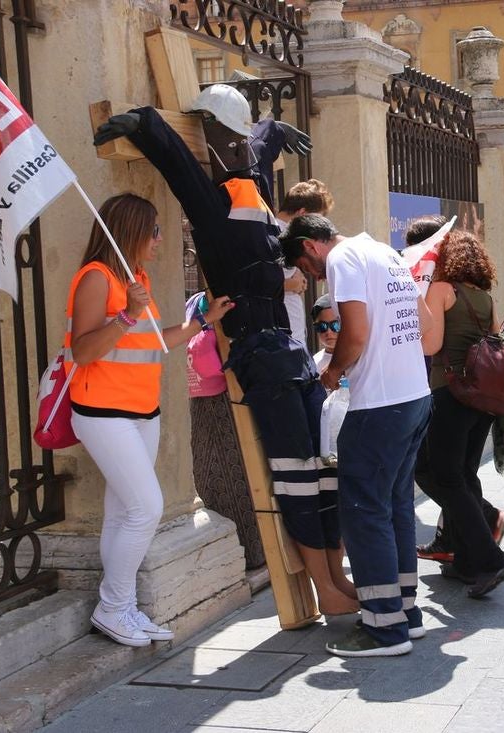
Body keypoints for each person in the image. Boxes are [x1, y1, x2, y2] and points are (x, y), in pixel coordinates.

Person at [93, 86, 359, 618]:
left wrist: (276, 131)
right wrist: (143, 123)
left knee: (323, 468)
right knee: (297, 474)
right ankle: (325, 588)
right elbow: (180, 166)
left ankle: (336, 576)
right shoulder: (217, 203)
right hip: (262, 353)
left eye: (235, 140)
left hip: (290, 352)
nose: (236, 149)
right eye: (226, 139)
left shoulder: (251, 189)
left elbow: (251, 148)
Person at [66, 193, 234, 646]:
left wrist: (204, 319)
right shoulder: (97, 279)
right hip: (103, 413)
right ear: (131, 231)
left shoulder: (135, 277)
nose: (161, 239)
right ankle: (113, 606)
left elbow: (158, 342)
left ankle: (122, 607)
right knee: (147, 508)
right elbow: (82, 352)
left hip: (142, 411)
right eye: (155, 230)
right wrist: (125, 315)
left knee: (123, 513)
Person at [281, 214, 433, 657]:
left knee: (364, 512)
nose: (312, 278)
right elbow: (422, 325)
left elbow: (357, 332)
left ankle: (383, 628)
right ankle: (405, 613)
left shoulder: (345, 258)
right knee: (395, 507)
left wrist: (332, 372)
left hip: (379, 405)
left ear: (311, 246)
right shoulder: (383, 252)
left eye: (307, 270)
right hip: (414, 396)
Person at [413, 231, 504, 597]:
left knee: (446, 477)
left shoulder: (442, 290)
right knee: (464, 475)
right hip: (482, 400)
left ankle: (491, 559)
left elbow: (432, 344)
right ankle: (464, 560)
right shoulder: (484, 297)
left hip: (450, 394)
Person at [278, 180, 335, 344]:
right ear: (302, 214)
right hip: (283, 339)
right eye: (317, 219)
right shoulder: (276, 235)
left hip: (290, 335)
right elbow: (254, 283)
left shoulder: (284, 234)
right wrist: (290, 284)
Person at [310, 293, 338, 372]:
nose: (328, 332)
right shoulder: (314, 364)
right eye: (322, 326)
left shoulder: (361, 359)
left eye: (336, 325)